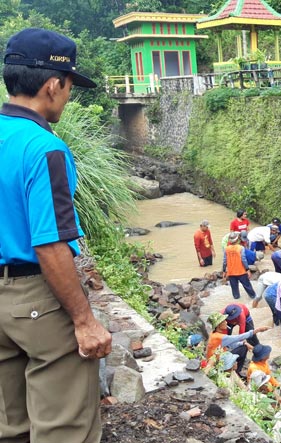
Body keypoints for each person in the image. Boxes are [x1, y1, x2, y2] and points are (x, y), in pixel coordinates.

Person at [0, 28, 112, 442]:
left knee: (9, 424)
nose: (68, 96)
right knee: (64, 426)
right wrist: (84, 321)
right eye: (68, 87)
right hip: (35, 301)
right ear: (52, 84)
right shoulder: (43, 147)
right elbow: (50, 244)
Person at [223, 231, 256, 300]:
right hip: (241, 271)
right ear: (237, 239)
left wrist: (224, 271)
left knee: (235, 292)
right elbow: (243, 259)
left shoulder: (226, 249)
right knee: (248, 287)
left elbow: (224, 261)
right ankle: (254, 298)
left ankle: (237, 301)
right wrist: (247, 270)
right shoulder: (241, 248)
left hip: (231, 272)